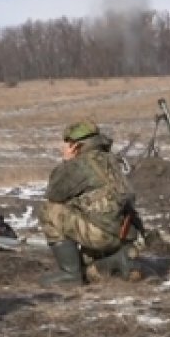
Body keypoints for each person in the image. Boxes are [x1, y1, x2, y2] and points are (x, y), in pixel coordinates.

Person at [38, 120, 138, 286]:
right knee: (91, 272)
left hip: (103, 234)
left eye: (68, 143)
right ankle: (118, 259)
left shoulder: (81, 164)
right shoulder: (110, 159)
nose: (64, 147)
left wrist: (67, 162)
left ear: (76, 146)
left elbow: (54, 193)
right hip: (123, 232)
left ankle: (70, 274)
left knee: (48, 210)